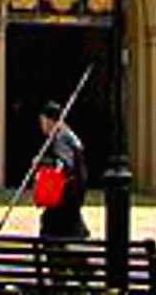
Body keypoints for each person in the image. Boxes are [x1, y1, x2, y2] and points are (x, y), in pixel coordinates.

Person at [35, 99, 89, 240]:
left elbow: (64, 165)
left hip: (68, 191)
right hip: (75, 189)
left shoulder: (61, 137)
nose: (41, 126)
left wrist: (42, 163)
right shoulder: (66, 135)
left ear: (49, 121)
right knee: (67, 221)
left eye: (42, 121)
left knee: (50, 222)